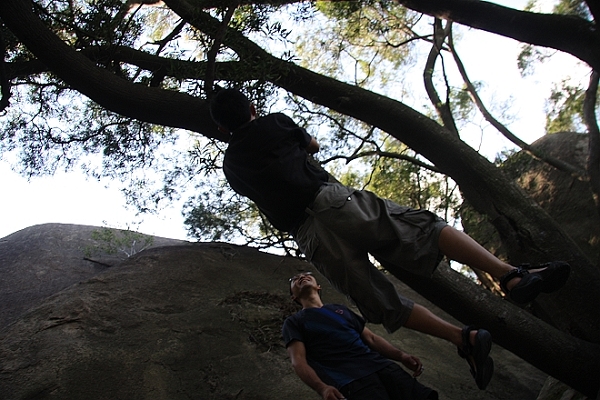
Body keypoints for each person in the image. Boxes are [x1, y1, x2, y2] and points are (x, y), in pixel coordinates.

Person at [209, 88, 570, 389]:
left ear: (222, 127)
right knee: (424, 228)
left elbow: (257, 193)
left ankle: (463, 338)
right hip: (331, 201)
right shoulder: (275, 121)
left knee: (381, 303)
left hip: (309, 234)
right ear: (252, 108)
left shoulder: (231, 166)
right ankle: (511, 275)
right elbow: (312, 146)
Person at [283, 271, 438, 400]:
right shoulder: (294, 322)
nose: (301, 276)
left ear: (318, 286)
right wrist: (322, 388)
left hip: (384, 367)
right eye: (294, 279)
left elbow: (372, 338)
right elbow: (298, 361)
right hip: (352, 381)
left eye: (306, 274)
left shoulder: (340, 310)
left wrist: (401, 356)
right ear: (293, 297)